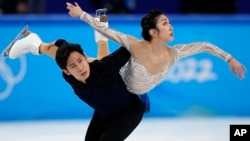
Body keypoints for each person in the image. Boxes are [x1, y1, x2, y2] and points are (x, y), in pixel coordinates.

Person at [4, 15, 148, 141]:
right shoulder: (70, 74)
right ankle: (35, 43)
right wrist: (59, 43)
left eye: (81, 60)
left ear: (85, 56)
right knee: (74, 59)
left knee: (103, 66)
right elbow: (64, 54)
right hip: (104, 110)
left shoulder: (104, 67)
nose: (79, 67)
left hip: (130, 109)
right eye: (72, 67)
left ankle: (36, 44)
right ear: (66, 72)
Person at [66, 2, 247, 95]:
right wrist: (81, 14)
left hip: (136, 97)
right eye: (165, 23)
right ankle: (100, 23)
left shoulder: (174, 53)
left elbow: (204, 46)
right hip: (115, 80)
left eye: (170, 22)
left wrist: (229, 58)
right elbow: (109, 31)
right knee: (100, 56)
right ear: (153, 31)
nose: (171, 27)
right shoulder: (135, 45)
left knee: (97, 58)